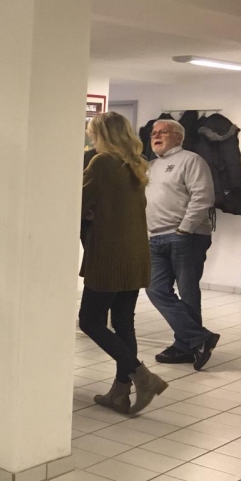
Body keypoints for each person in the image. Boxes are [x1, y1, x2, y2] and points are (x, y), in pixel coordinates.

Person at [80, 112, 167, 414]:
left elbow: (78, 203)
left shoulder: (102, 162)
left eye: (93, 133)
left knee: (90, 321)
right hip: (135, 255)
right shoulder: (135, 164)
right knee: (123, 322)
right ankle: (120, 393)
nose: (91, 138)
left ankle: (142, 376)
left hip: (110, 256)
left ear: (102, 134)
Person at [144, 119, 219, 370]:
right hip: (155, 237)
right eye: (153, 133)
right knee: (155, 290)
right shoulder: (151, 166)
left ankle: (185, 346)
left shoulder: (191, 160)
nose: (156, 136)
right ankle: (199, 339)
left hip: (187, 236)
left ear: (178, 136)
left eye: (162, 132)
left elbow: (203, 197)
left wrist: (184, 228)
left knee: (188, 293)